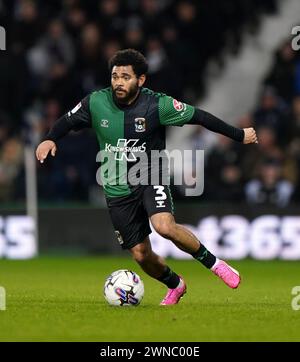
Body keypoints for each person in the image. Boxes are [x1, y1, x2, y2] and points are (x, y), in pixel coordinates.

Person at [36, 49, 258, 305]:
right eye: (115, 76)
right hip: (116, 186)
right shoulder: (96, 102)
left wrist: (238, 135)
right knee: (141, 254)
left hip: (150, 173)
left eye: (125, 77)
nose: (118, 82)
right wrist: (50, 138)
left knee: (164, 226)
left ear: (141, 80)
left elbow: (200, 116)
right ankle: (175, 284)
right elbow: (66, 120)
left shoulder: (158, 105)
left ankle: (215, 264)